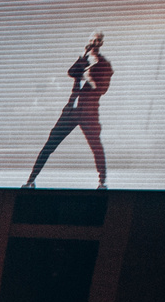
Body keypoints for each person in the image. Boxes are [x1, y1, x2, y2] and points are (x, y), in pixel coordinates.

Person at [25, 32, 112, 188]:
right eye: (92, 40)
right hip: (71, 111)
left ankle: (102, 182)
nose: (94, 43)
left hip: (88, 113)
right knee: (50, 144)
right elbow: (71, 72)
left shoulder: (104, 65)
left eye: (97, 40)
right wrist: (83, 58)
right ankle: (30, 180)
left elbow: (102, 89)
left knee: (96, 147)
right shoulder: (83, 60)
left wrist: (89, 78)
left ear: (101, 43)